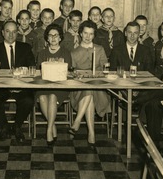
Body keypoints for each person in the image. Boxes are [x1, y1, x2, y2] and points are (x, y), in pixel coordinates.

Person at [0, 21, 35, 143]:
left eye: (13, 32)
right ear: (2, 33)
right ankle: (4, 126)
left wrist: (22, 76)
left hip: (21, 86)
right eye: (7, 31)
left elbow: (32, 67)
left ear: (17, 33)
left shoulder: (26, 48)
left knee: (29, 100)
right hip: (2, 87)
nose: (11, 35)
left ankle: (17, 126)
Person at [69, 20, 111, 150]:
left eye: (91, 34)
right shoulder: (74, 52)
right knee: (88, 91)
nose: (88, 37)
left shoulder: (99, 49)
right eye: (85, 33)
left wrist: (99, 73)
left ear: (94, 35)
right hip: (79, 89)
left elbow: (106, 69)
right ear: (81, 34)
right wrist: (77, 75)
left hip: (98, 88)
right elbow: (72, 73)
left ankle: (77, 122)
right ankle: (91, 133)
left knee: (91, 90)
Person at [36, 24, 72, 146]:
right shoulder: (42, 53)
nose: (53, 38)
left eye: (56, 35)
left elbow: (67, 72)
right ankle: (53, 125)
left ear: (60, 37)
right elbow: (40, 72)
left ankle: (49, 129)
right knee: (41, 97)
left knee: (52, 96)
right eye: (50, 35)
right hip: (44, 84)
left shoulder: (66, 52)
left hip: (60, 85)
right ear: (47, 38)